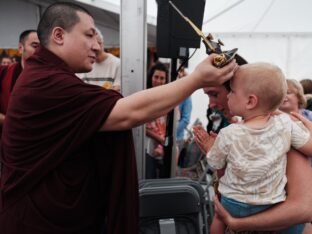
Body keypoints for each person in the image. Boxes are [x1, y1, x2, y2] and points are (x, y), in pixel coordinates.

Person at [0, 2, 237, 234]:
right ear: (59, 35)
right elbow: (129, 114)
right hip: (37, 220)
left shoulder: (46, 77)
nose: (97, 46)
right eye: (89, 35)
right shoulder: (46, 83)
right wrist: (196, 80)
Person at [194, 75, 312, 233]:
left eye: (215, 94)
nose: (211, 104)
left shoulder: (281, 130)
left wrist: (238, 224)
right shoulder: (233, 131)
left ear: (250, 100)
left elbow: (303, 209)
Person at [0, 30, 39, 129]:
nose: (40, 51)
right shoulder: (3, 73)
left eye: (44, 48)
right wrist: (7, 121)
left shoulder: (54, 77)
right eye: (35, 46)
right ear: (20, 48)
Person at [78, 27, 121, 92]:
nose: (96, 47)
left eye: (98, 43)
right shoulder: (81, 63)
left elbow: (117, 91)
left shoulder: (117, 63)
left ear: (103, 43)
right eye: (90, 45)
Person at [145, 62, 168, 179]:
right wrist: (158, 138)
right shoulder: (144, 96)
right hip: (147, 146)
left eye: (162, 78)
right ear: (150, 77)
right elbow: (139, 126)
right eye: (156, 77)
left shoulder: (169, 97)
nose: (159, 81)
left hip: (164, 146)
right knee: (149, 177)